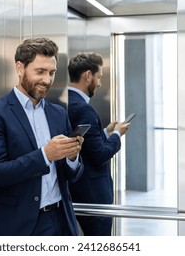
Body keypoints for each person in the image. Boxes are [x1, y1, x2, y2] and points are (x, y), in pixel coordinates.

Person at [0, 37, 84, 236]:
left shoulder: (59, 113)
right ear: (20, 68)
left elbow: (73, 175)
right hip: (19, 225)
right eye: (40, 71)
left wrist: (72, 157)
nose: (47, 80)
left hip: (61, 221)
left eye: (51, 73)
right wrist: (45, 155)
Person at [67, 52, 129, 236]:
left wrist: (105, 131)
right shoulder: (85, 109)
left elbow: (82, 142)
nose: (100, 82)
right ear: (88, 75)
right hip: (93, 194)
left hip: (75, 191)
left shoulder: (65, 103)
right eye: (99, 76)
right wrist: (117, 134)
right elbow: (99, 155)